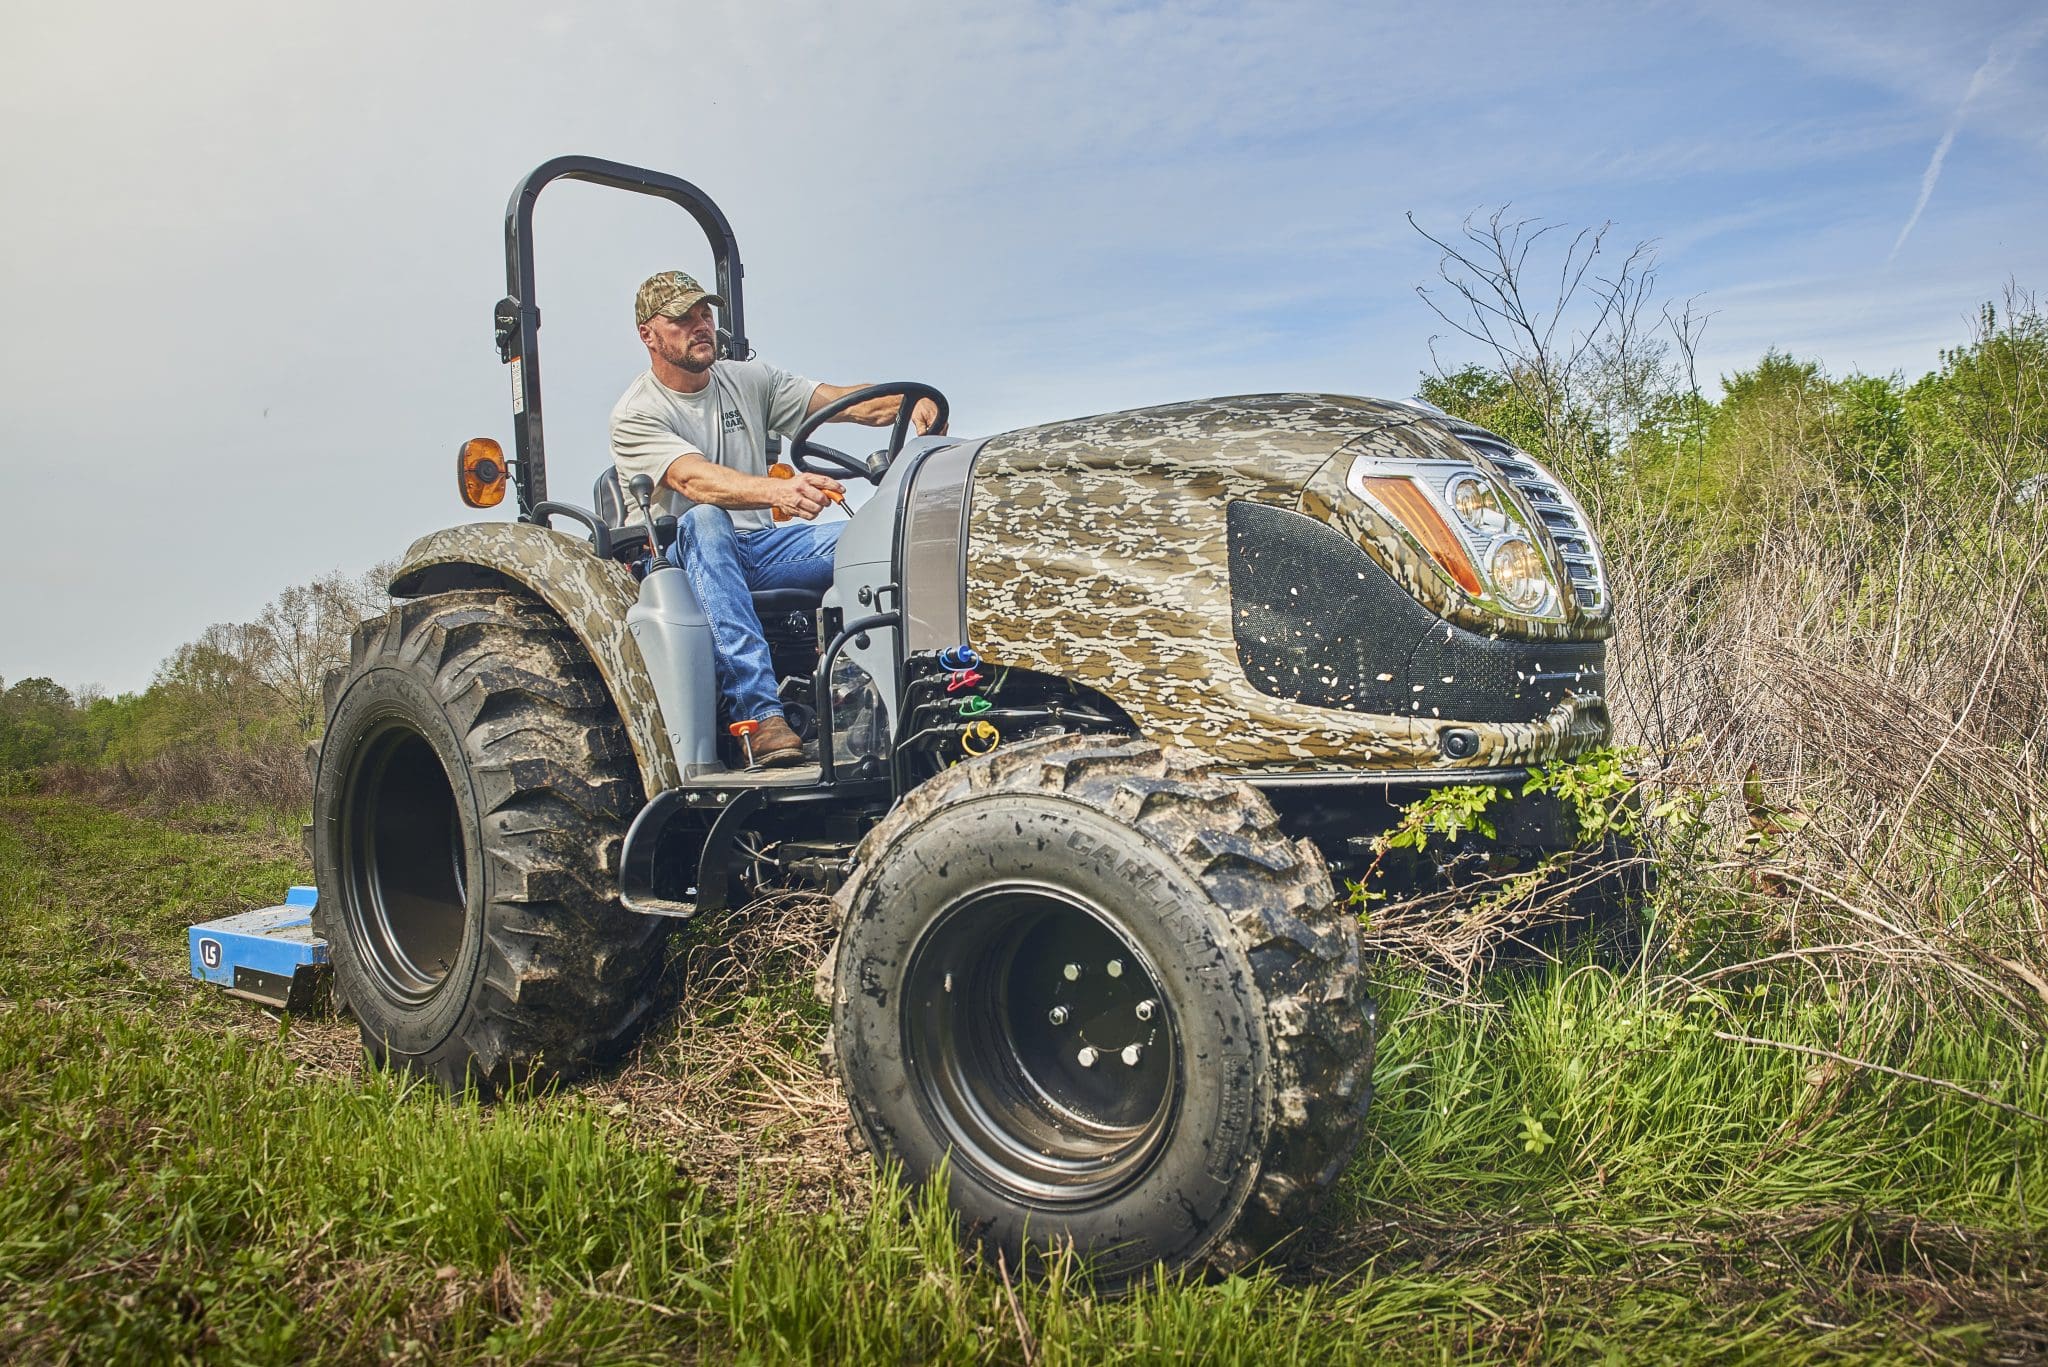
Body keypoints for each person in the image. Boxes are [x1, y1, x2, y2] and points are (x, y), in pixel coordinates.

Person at [610, 270, 942, 767]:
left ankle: (912, 696)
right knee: (705, 519)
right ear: (648, 335)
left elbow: (838, 403)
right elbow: (695, 482)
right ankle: (759, 716)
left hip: (760, 551)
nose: (701, 326)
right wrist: (780, 488)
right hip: (680, 560)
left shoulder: (748, 379)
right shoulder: (636, 414)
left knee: (885, 533)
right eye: (682, 318)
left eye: (705, 314)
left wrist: (911, 403)